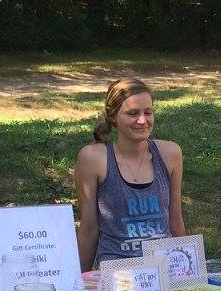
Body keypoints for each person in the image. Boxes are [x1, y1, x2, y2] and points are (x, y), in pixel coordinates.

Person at [76, 78, 186, 271]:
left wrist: (188, 273)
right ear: (112, 116)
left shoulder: (170, 154)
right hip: (118, 273)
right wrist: (78, 285)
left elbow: (175, 222)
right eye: (133, 113)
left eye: (148, 112)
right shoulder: (93, 158)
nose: (143, 121)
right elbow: (89, 231)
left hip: (165, 268)